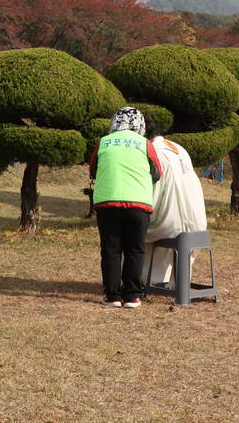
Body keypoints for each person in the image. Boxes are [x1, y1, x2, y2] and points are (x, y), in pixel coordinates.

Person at [88, 107, 162, 308]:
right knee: (135, 249)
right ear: (140, 125)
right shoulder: (145, 144)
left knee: (111, 249)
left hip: (107, 202)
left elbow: (93, 169)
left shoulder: (103, 142)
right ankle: (132, 295)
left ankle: (112, 296)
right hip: (139, 203)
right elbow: (157, 172)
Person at [143, 117, 208, 285]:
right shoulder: (178, 148)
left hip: (170, 224)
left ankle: (144, 280)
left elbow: (154, 194)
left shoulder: (151, 152)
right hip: (197, 222)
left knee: (131, 228)